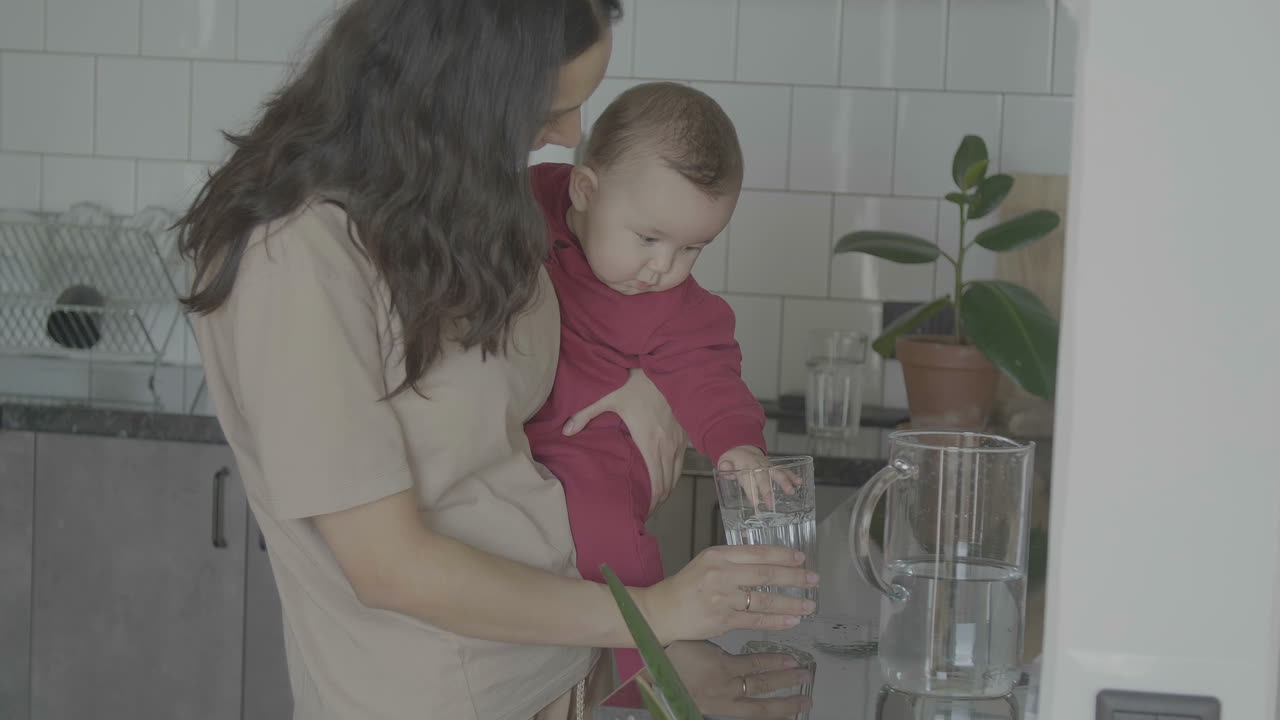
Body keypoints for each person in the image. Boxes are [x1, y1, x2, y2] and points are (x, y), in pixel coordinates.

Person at [176, 2, 817, 719]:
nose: (569, 135)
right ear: (457, 85)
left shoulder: (456, 207)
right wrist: (655, 618)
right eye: (550, 105)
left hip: (562, 672)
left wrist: (645, 384)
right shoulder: (298, 253)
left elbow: (506, 448)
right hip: (440, 696)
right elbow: (390, 567)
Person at [526, 82, 795, 680]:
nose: (663, 268)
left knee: (609, 543)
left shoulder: (679, 310)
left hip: (589, 455)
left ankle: (637, 676)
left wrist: (737, 445)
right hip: (507, 446)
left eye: (692, 249)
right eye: (649, 238)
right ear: (584, 190)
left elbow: (710, 374)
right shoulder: (516, 211)